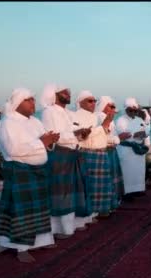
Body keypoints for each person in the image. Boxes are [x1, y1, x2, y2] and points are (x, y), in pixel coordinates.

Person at [0, 88, 60, 263]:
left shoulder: (36, 122)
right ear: (17, 103)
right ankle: (20, 247)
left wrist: (50, 141)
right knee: (20, 211)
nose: (32, 103)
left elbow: (44, 144)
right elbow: (13, 149)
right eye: (28, 100)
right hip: (19, 170)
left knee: (40, 209)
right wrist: (42, 142)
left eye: (33, 100)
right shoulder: (8, 123)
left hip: (39, 171)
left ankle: (43, 241)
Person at [41, 83, 87, 238]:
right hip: (60, 154)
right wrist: (76, 134)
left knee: (74, 191)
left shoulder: (68, 113)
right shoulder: (49, 112)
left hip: (73, 154)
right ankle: (59, 229)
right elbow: (54, 136)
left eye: (69, 92)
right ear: (54, 95)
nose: (68, 95)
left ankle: (72, 226)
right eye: (64, 93)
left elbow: (71, 133)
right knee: (60, 193)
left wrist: (81, 133)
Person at [70, 90, 113, 225]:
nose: (93, 103)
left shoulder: (95, 116)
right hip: (88, 152)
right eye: (90, 101)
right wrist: (104, 126)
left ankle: (98, 211)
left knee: (101, 184)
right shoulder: (75, 116)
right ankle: (88, 214)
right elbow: (82, 135)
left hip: (101, 152)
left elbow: (103, 132)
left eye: (94, 101)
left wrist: (105, 127)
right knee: (90, 185)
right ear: (80, 102)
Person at [116, 97, 149, 201]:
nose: (133, 112)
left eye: (135, 110)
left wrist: (144, 133)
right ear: (126, 110)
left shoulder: (139, 120)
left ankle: (138, 189)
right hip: (127, 150)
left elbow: (147, 130)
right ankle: (127, 193)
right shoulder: (120, 120)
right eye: (131, 110)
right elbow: (121, 135)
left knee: (139, 171)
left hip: (139, 149)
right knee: (127, 172)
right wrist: (134, 135)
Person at [96, 96, 124, 213]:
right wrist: (117, 139)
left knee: (112, 178)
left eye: (114, 106)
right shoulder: (99, 117)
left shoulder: (109, 119)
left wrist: (117, 139)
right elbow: (102, 136)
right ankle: (106, 206)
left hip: (112, 150)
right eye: (111, 106)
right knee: (107, 179)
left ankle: (112, 203)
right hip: (106, 151)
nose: (113, 108)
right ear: (104, 106)